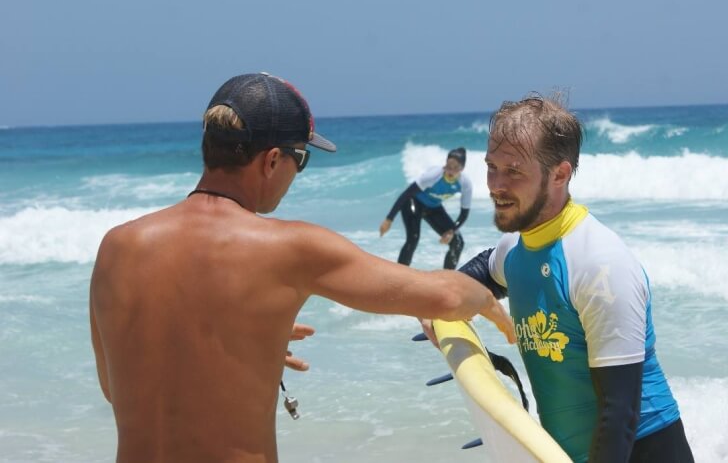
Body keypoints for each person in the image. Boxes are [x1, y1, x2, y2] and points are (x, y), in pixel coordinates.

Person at [89, 72, 515, 463]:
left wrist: (244, 338)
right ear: (272, 160)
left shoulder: (117, 246)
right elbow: (445, 296)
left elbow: (117, 389)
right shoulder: (288, 248)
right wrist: (489, 300)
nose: (297, 173)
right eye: (302, 158)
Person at [431, 95, 694, 462]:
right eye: (492, 166)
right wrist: (435, 302)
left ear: (560, 174)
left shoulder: (599, 264)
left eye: (514, 171)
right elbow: (483, 271)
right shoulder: (518, 248)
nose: (496, 184)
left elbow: (620, 414)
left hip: (642, 450)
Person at [379, 147, 472, 269]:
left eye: (456, 168)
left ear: (462, 169)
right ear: (445, 164)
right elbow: (407, 194)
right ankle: (401, 273)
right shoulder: (434, 176)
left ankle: (446, 278)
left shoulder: (465, 183)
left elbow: (464, 213)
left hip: (434, 208)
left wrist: (451, 231)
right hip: (413, 202)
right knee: (413, 238)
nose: (451, 171)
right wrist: (389, 219)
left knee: (458, 241)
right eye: (449, 165)